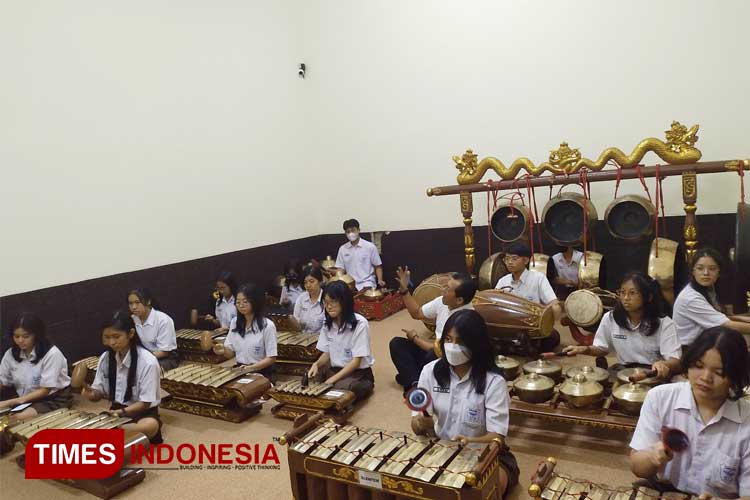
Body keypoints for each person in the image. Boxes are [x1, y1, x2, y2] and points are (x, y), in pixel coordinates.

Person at [629, 326, 750, 499]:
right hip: (666, 491)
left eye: (719, 372)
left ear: (735, 377)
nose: (705, 377)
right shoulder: (660, 398)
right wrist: (652, 457)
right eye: (699, 366)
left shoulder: (746, 421)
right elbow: (637, 467)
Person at [411, 309, 519, 498]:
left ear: (476, 345)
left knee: (484, 491)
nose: (452, 346)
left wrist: (471, 442)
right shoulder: (429, 372)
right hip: (441, 447)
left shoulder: (493, 381)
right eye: (448, 339)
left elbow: (497, 438)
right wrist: (419, 423)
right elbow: (417, 424)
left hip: (487, 454)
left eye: (460, 341)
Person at [563, 272, 681, 379]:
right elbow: (601, 349)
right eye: (622, 292)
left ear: (648, 297)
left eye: (632, 293)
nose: (625, 298)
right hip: (624, 371)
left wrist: (664, 364)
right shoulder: (611, 318)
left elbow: (675, 360)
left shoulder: (664, 323)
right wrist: (584, 349)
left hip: (652, 373)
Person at [389, 266, 476, 393]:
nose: (442, 290)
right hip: (435, 352)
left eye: (447, 289)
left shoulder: (466, 318)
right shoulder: (443, 302)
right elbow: (417, 313)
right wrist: (404, 291)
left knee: (432, 355)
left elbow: (440, 350)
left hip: (450, 360)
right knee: (397, 344)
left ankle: (413, 378)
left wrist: (415, 338)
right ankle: (416, 382)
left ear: (459, 300)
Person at [82, 311, 163, 443]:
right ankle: (118, 436)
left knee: (149, 426)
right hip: (115, 411)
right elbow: (98, 394)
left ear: (131, 334)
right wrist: (91, 393)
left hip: (143, 413)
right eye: (106, 337)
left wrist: (120, 413)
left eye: (116, 336)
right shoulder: (105, 358)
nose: (111, 342)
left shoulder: (148, 361)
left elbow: (145, 403)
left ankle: (114, 437)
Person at [308, 281, 375, 401]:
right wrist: (316, 364)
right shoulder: (327, 323)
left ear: (344, 302)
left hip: (358, 374)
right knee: (308, 377)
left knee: (343, 389)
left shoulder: (360, 324)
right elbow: (327, 353)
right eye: (326, 302)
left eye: (333, 301)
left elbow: (356, 362)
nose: (328, 306)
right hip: (335, 370)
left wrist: (330, 381)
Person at [0, 313, 72, 422]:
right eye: (16, 336)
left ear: (36, 335)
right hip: (25, 398)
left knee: (13, 420)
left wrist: (12, 402)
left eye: (25, 336)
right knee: (5, 417)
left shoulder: (52, 354)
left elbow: (45, 390)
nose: (20, 340)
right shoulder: (10, 354)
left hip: (53, 398)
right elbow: (3, 382)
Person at [673, 248, 750, 348]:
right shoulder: (691, 298)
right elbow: (727, 325)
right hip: (691, 351)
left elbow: (721, 316)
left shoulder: (708, 288)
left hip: (706, 344)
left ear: (719, 271)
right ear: (693, 271)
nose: (706, 273)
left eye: (712, 268)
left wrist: (745, 319)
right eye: (700, 268)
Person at [494, 242, 562, 351]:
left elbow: (553, 303)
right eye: (507, 259)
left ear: (525, 261)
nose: (509, 262)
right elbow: (494, 305)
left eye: (514, 258)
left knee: (553, 337)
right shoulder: (503, 281)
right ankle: (520, 347)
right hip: (508, 326)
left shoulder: (538, 278)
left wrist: (554, 310)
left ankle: (515, 347)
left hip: (531, 327)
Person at [215, 283, 277, 382]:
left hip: (261, 373)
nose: (241, 305)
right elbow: (231, 353)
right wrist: (222, 350)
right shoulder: (235, 322)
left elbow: (271, 358)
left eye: (245, 301)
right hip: (240, 370)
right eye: (238, 302)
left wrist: (251, 368)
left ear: (254, 302)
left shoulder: (268, 325)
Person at [128, 288, 179, 371]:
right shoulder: (132, 320)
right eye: (130, 303)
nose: (133, 307)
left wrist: (141, 360)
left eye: (137, 303)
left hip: (165, 358)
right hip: (144, 357)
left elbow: (164, 352)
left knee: (145, 371)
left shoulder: (163, 320)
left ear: (148, 301)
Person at [333, 218, 385, 291]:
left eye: (353, 230)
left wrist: (380, 280)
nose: (351, 233)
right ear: (345, 233)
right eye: (348, 232)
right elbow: (340, 269)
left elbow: (378, 266)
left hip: (367, 283)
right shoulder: (342, 249)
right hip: (349, 284)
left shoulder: (370, 247)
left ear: (358, 230)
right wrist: (336, 274)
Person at [288, 265, 326, 334]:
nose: (308, 285)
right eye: (305, 282)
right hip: (304, 338)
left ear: (320, 282)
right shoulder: (301, 298)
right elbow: (297, 324)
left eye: (311, 281)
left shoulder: (326, 298)